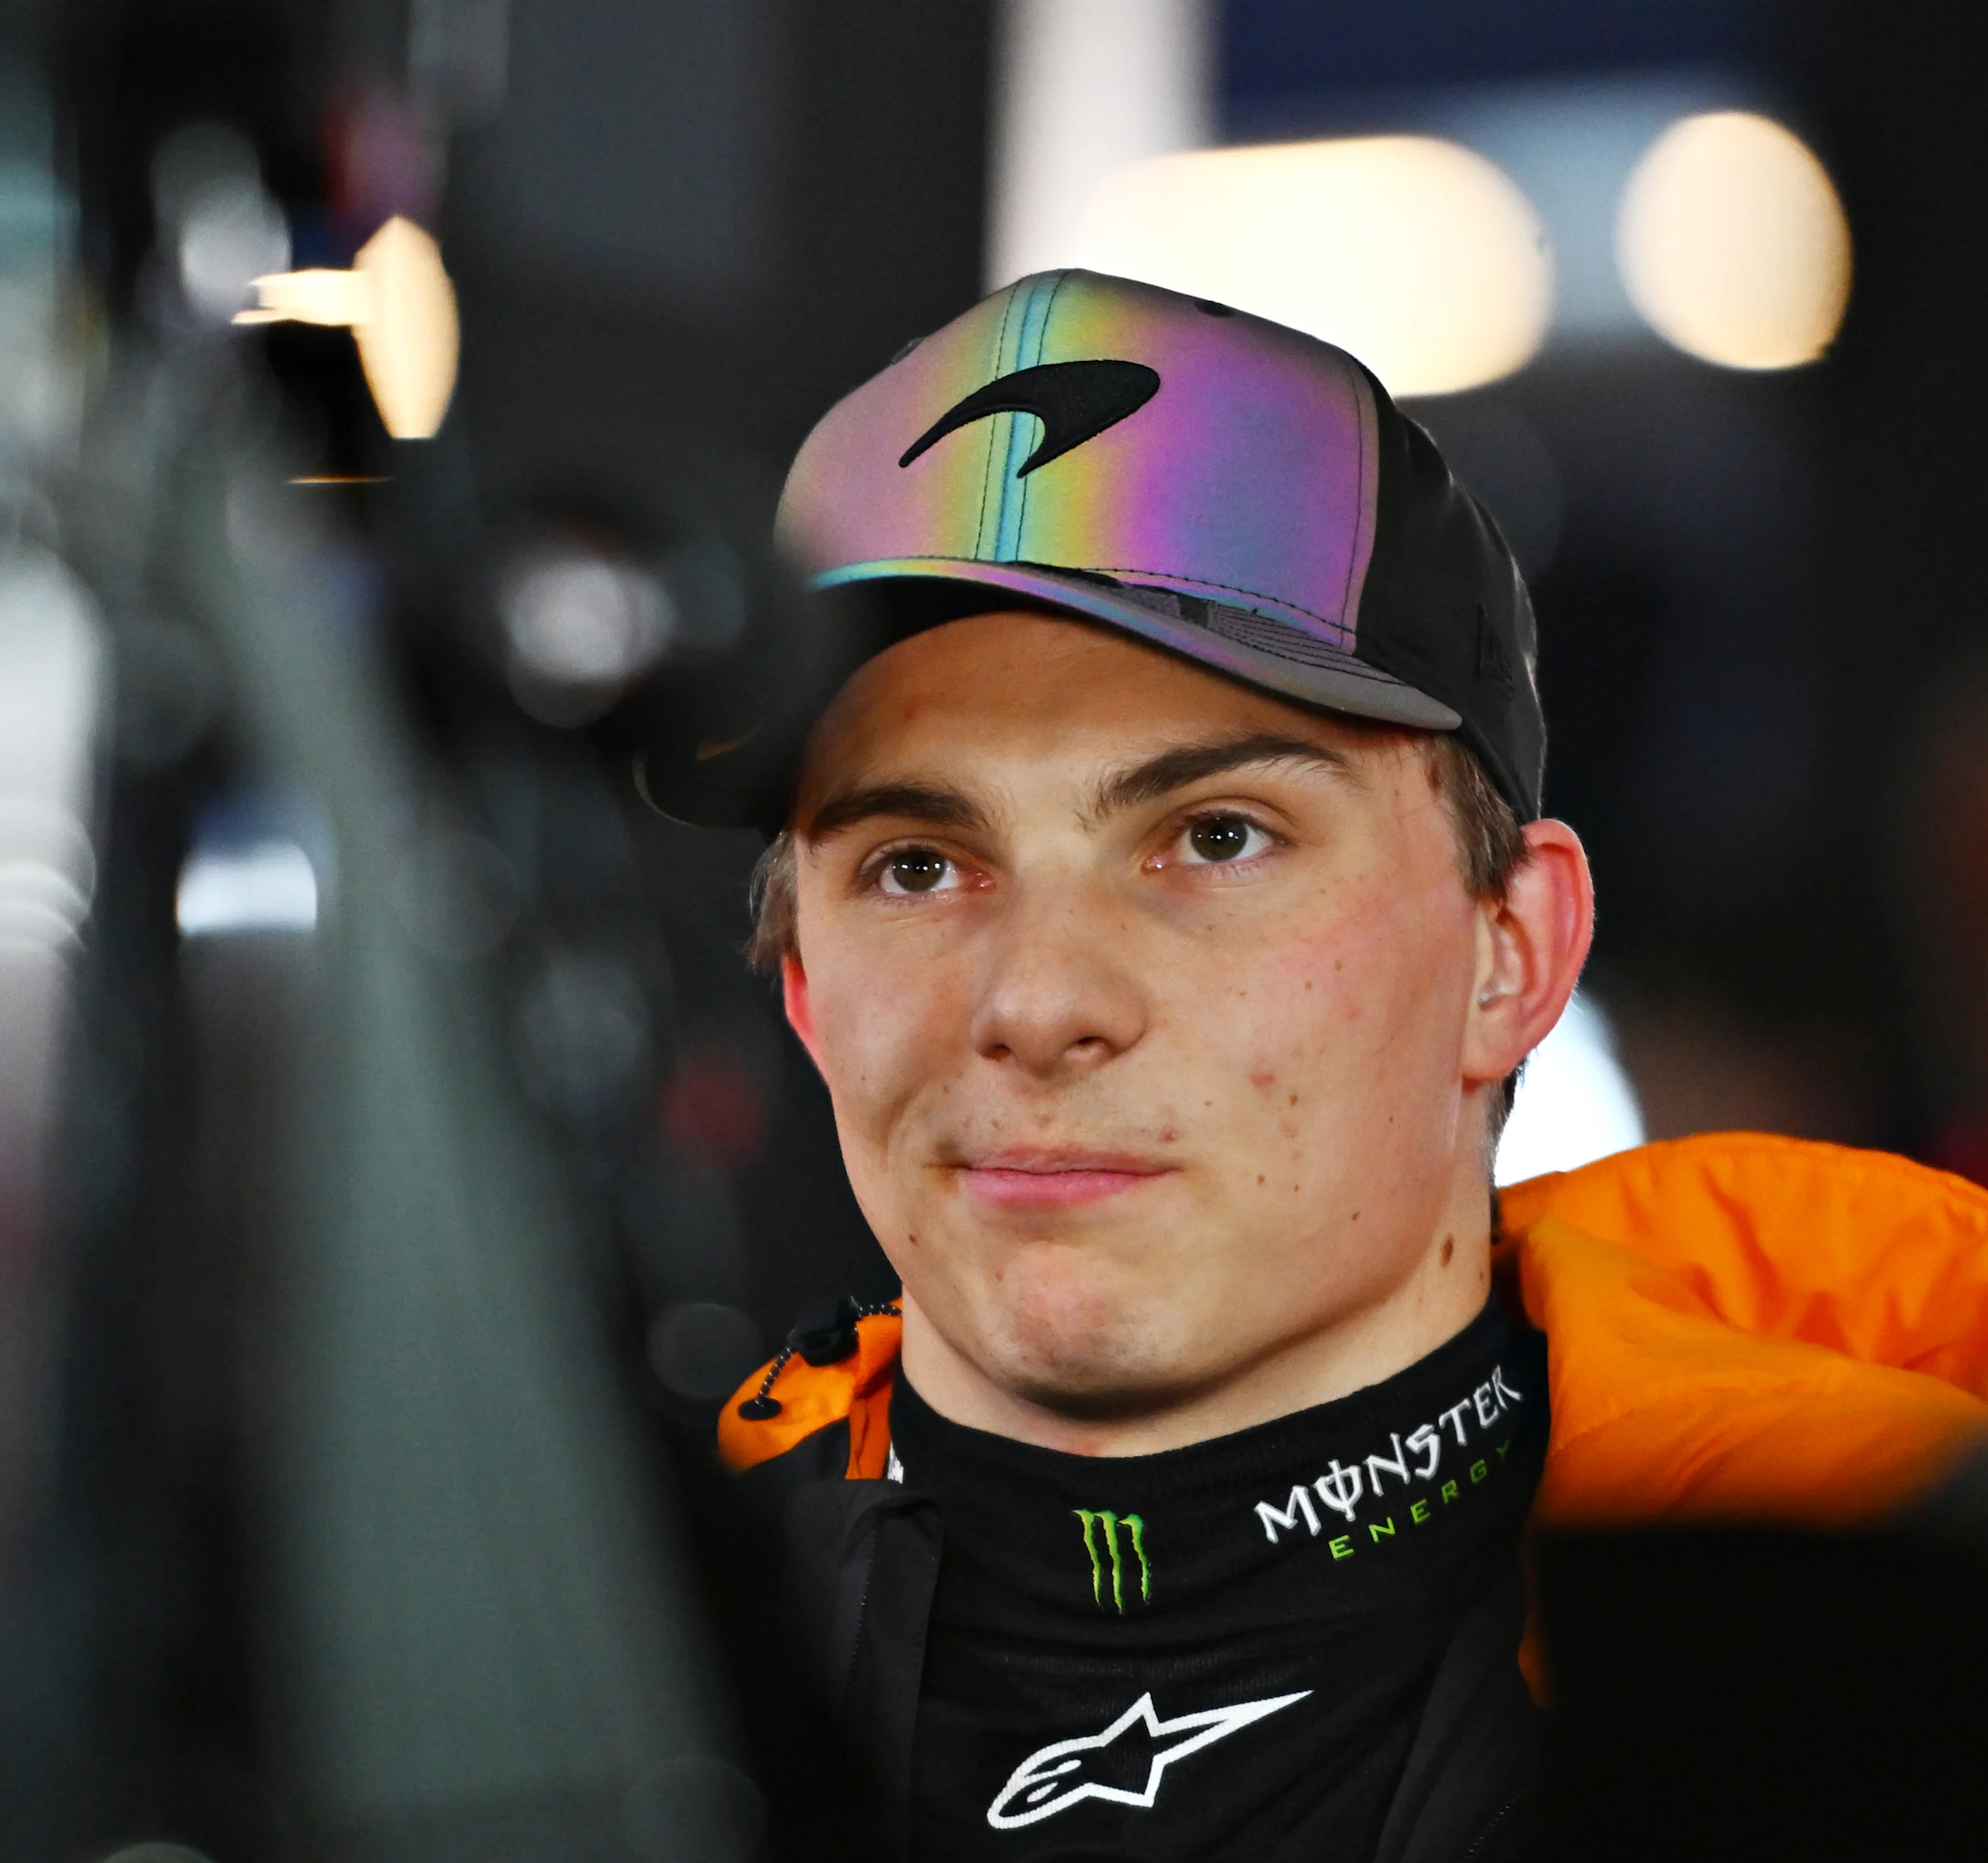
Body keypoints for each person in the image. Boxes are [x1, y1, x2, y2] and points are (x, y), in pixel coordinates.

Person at [634, 269, 1988, 1861]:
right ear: (803, 988)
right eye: (919, 865)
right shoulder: (568, 1632)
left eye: (1214, 837)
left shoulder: (1877, 1664)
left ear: (1513, 955)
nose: (1040, 999)